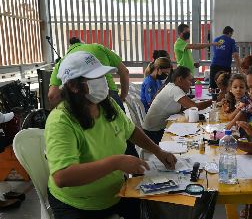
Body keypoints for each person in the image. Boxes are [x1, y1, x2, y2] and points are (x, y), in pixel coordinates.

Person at [45, 51, 176, 219]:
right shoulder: (61, 121)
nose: (104, 82)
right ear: (73, 86)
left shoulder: (108, 105)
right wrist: (116, 162)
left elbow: (132, 131)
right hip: (78, 204)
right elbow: (62, 177)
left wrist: (158, 151)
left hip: (115, 192)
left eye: (103, 76)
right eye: (95, 78)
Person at [48, 37, 130, 112]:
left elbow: (53, 95)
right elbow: (124, 72)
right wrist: (122, 97)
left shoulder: (63, 62)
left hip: (82, 102)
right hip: (111, 95)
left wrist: (59, 114)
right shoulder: (98, 48)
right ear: (82, 43)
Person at [142, 66, 213, 144]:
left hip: (156, 130)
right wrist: (214, 101)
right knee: (191, 140)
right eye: (189, 80)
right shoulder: (174, 90)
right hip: (153, 134)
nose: (191, 83)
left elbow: (183, 107)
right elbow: (195, 107)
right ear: (180, 79)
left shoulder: (172, 86)